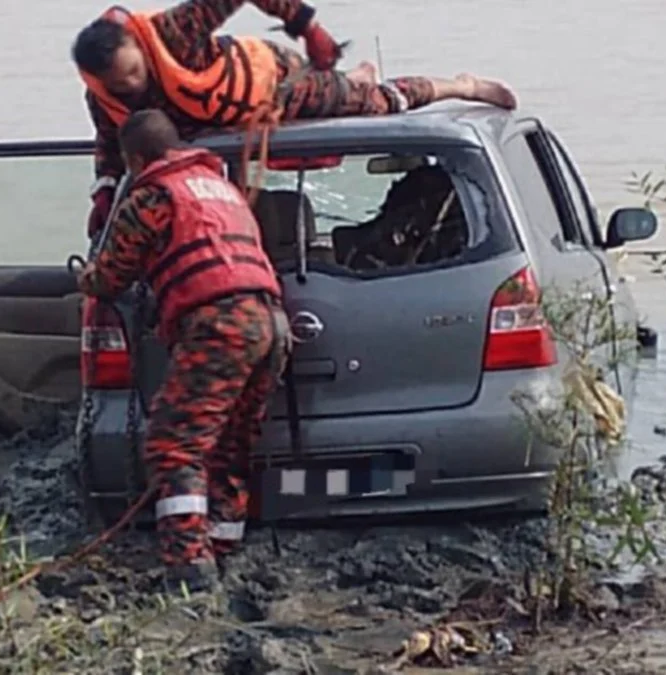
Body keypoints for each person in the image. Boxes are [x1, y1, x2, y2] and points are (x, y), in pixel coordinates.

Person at [71, 0, 519, 236]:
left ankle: (460, 84)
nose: (131, 84)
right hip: (221, 124)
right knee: (356, 90)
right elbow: (111, 149)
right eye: (119, 82)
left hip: (274, 82)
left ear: (137, 45)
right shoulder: (105, 100)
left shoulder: (173, 31)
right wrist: (104, 194)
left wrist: (309, 28)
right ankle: (355, 78)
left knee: (379, 103)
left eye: (134, 71)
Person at [76, 109, 289, 592]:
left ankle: (189, 567)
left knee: (173, 448)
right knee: (231, 443)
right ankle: (223, 541)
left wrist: (83, 278)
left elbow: (111, 276)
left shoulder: (152, 196)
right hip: (272, 322)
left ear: (134, 159)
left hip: (220, 324)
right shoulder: (221, 188)